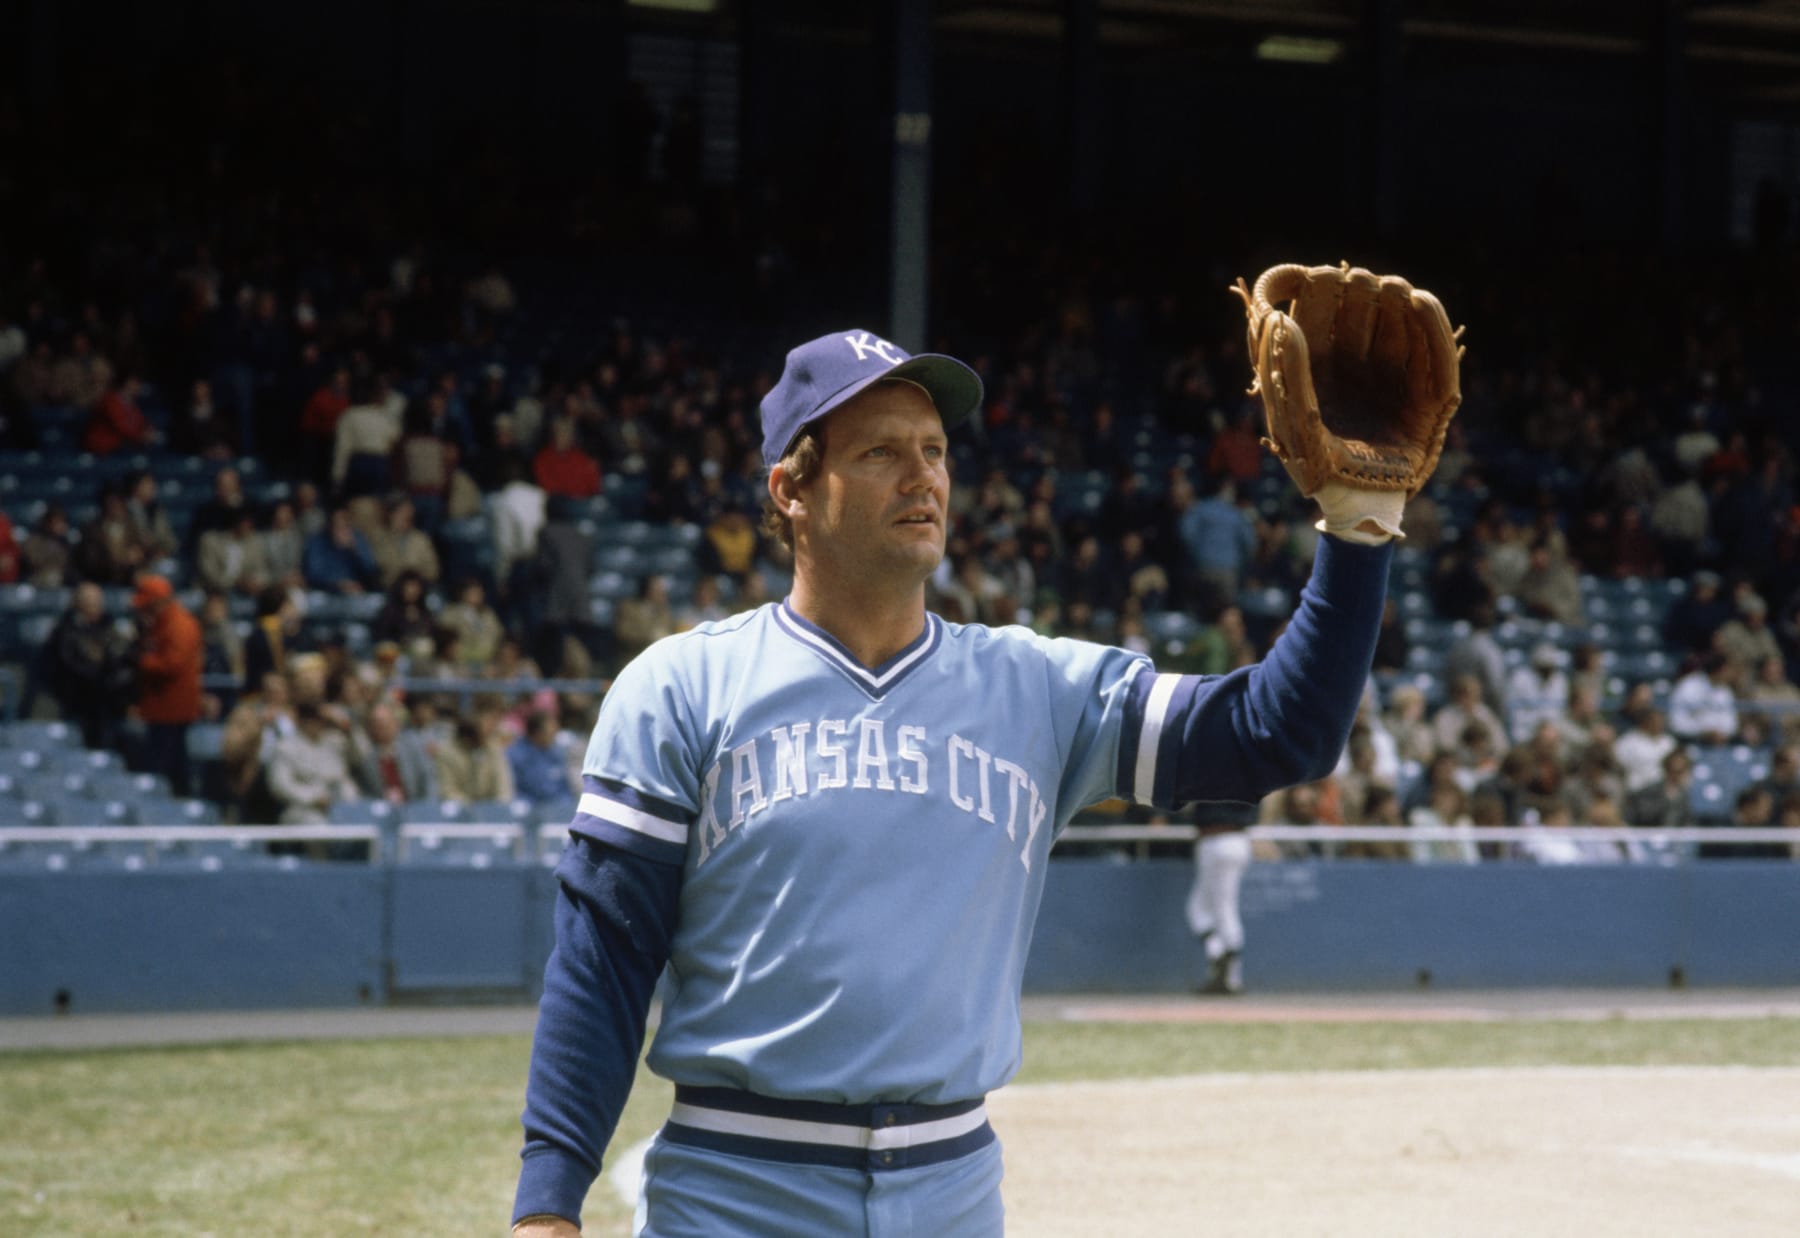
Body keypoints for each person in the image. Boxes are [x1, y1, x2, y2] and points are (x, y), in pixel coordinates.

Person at [510, 326, 1402, 1236]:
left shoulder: (1042, 689)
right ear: (793, 490)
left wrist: (1360, 527)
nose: (923, 475)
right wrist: (549, 1203)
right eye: (881, 452)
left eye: (935, 450)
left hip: (952, 1189)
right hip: (738, 1190)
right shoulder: (680, 687)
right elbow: (604, 959)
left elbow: (1277, 734)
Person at [131, 574, 203, 798]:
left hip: (173, 708)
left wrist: (141, 660)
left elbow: (173, 664)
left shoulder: (180, 624)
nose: (145, 611)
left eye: (149, 605)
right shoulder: (162, 622)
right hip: (160, 707)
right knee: (165, 766)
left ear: (160, 601)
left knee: (170, 768)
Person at [1183, 799, 1258, 995]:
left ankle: (1224, 967)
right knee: (1203, 909)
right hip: (1238, 842)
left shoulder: (1210, 769)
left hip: (1216, 840)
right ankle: (1225, 969)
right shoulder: (1250, 770)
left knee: (1218, 910)